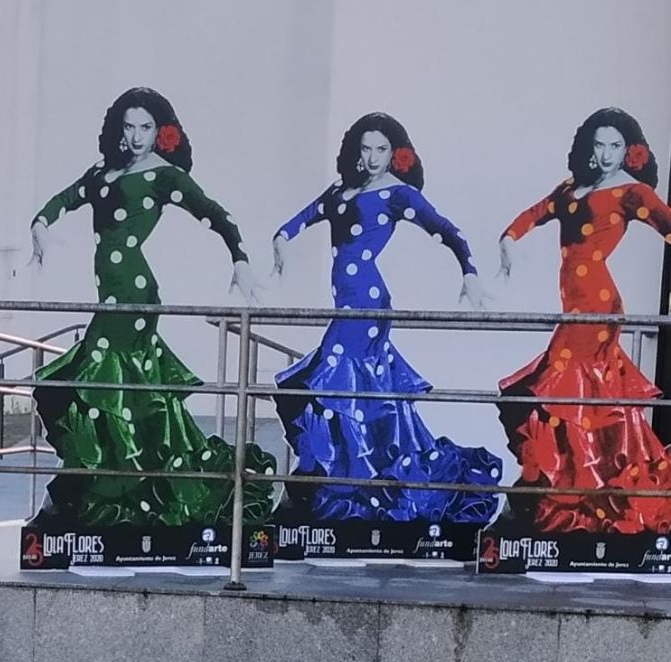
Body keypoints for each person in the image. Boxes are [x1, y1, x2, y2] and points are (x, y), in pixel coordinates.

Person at [24, 86, 275, 528]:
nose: (138, 136)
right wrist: (40, 227)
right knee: (116, 386)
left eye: (146, 127)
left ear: (160, 131)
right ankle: (109, 480)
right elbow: (61, 202)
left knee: (98, 380)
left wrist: (240, 261)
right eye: (130, 127)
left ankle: (99, 482)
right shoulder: (102, 172)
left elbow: (217, 214)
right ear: (119, 130)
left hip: (136, 295)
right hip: (112, 295)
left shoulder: (164, 176)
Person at [270, 112, 501, 524]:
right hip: (348, 305)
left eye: (382, 149)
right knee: (345, 393)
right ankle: (348, 478)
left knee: (332, 386)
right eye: (367, 148)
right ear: (356, 151)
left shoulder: (398, 194)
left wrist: (469, 272)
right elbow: (297, 222)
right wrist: (281, 242)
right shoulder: (341, 190)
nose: (374, 157)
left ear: (395, 153)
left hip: (370, 304)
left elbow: (447, 230)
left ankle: (352, 483)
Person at [497, 107, 671, 534]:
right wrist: (507, 241)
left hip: (598, 307)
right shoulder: (571, 188)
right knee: (576, 400)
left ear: (628, 150)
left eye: (615, 145)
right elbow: (530, 215)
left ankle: (579, 490)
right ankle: (579, 485)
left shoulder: (632, 192)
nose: (607, 153)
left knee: (562, 395)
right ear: (589, 147)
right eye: (600, 144)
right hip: (574, 307)